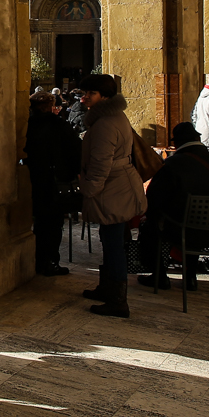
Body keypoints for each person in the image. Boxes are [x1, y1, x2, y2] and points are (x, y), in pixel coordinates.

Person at [128, 122, 209, 292]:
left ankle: (159, 276)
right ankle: (190, 277)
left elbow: (154, 200)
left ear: (176, 143)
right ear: (197, 139)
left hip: (182, 231)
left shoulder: (172, 165)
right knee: (191, 221)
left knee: (151, 225)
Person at [77, 74, 147, 318]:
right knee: (111, 239)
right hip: (118, 186)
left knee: (114, 243)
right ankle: (107, 289)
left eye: (90, 94)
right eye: (83, 93)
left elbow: (101, 164)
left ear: (104, 96)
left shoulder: (106, 123)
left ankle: (117, 300)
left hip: (114, 189)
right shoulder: (111, 116)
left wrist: (87, 189)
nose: (84, 98)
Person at [23, 91, 80, 277]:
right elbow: (75, 150)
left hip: (35, 179)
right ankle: (50, 262)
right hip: (55, 181)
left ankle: (39, 260)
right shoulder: (58, 125)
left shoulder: (28, 125)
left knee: (40, 222)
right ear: (50, 105)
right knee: (53, 224)